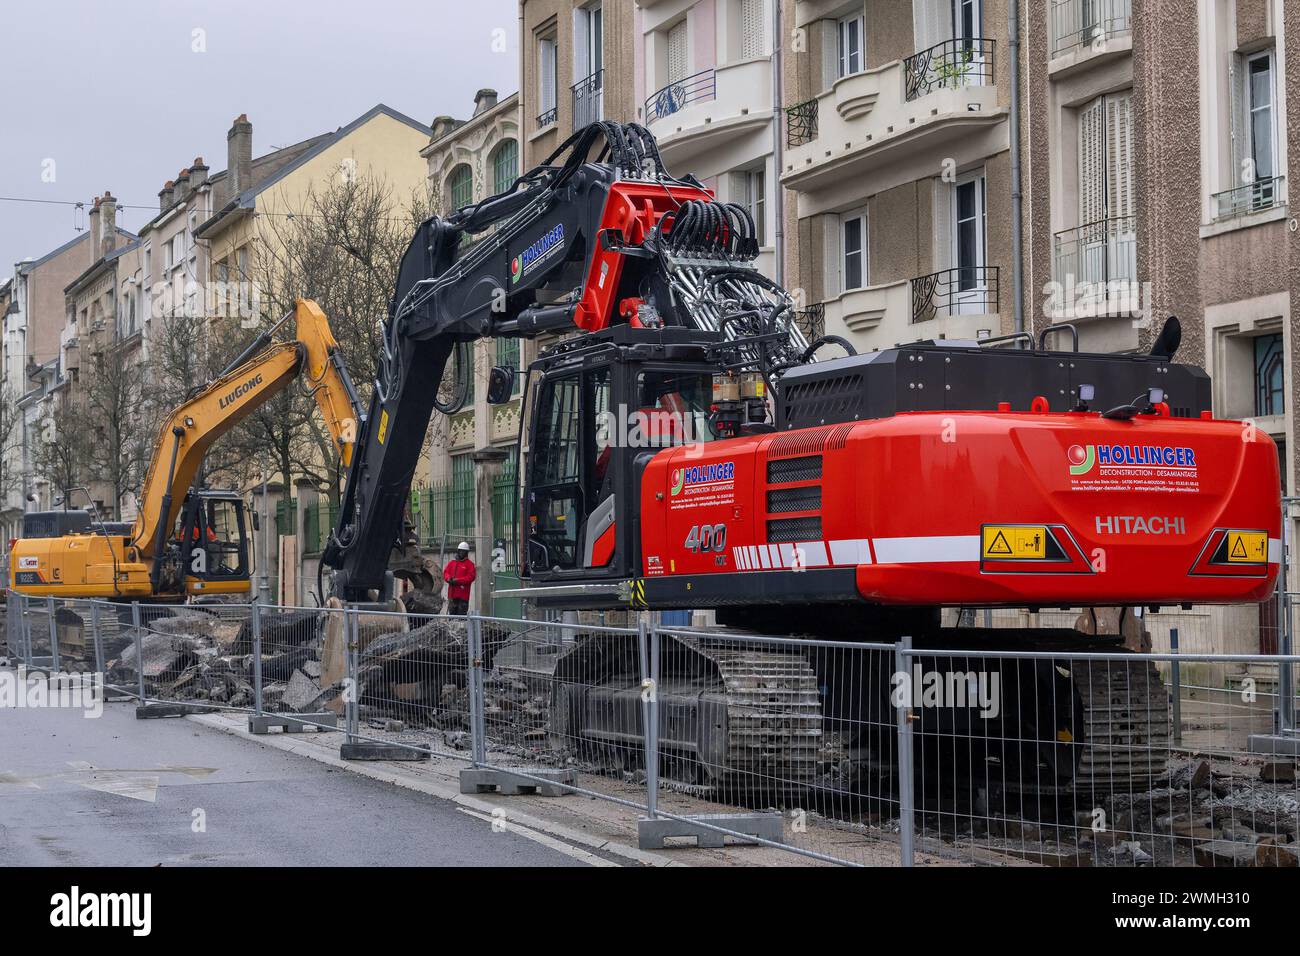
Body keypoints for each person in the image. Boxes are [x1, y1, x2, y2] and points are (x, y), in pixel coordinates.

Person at [443, 542, 477, 616]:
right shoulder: (452, 563)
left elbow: (471, 577)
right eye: (460, 551)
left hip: (463, 596)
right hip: (452, 595)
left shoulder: (469, 564)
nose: (462, 553)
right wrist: (448, 578)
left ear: (466, 553)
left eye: (464, 551)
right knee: (452, 617)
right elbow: (445, 573)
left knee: (461, 618)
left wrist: (458, 580)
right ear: (458, 551)